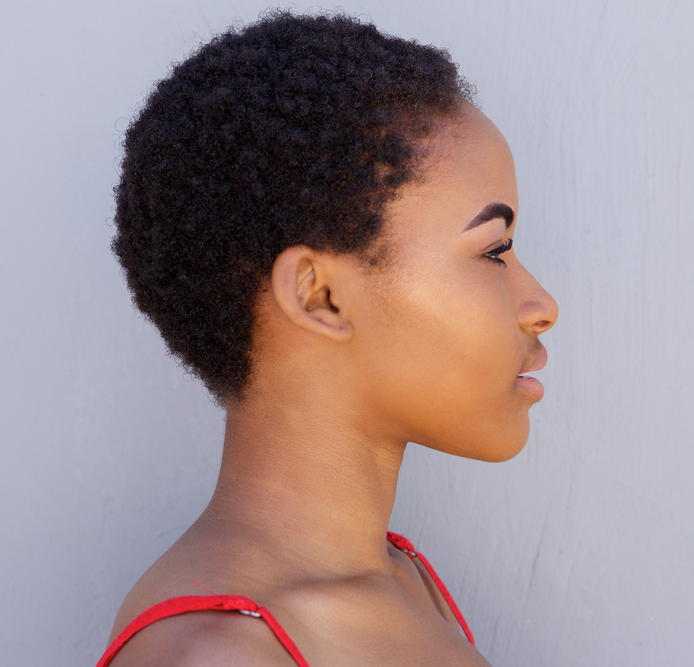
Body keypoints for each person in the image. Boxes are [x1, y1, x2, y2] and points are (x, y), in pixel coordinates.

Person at [98, 10, 558, 666]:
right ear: (320, 295)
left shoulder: (407, 582)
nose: (541, 305)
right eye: (494, 251)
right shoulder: (222, 654)